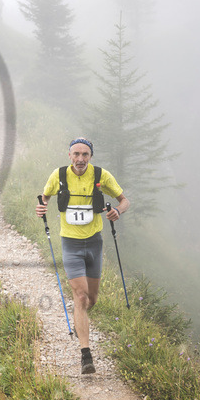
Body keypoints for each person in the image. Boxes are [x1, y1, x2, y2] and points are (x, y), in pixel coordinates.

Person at [35, 137, 130, 374]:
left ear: (90, 156)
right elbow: (45, 196)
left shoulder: (101, 176)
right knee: (80, 295)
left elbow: (124, 200)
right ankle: (86, 356)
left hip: (94, 243)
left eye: (85, 154)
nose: (80, 159)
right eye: (76, 154)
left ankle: (80, 316)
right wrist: (42, 206)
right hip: (70, 244)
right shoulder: (58, 175)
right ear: (69, 156)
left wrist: (118, 211)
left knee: (91, 300)